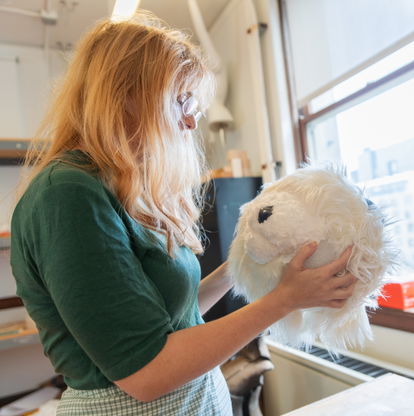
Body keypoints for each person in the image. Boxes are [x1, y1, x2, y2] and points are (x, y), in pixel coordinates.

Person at [9, 12, 357, 416]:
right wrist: (283, 301)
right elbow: (146, 372)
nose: (192, 121)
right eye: (180, 101)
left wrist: (241, 265)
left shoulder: (118, 187)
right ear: (124, 94)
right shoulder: (67, 194)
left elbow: (171, 316)